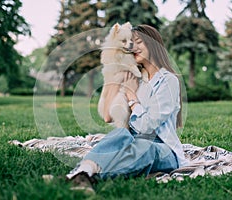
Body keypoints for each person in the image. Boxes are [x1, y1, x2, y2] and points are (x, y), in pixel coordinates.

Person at [66, 24, 188, 193]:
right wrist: (115, 79)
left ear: (153, 44)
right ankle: (81, 174)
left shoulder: (168, 81)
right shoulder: (135, 77)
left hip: (163, 147)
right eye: (131, 41)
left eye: (138, 42)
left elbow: (147, 126)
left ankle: (86, 176)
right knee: (120, 134)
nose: (132, 46)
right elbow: (108, 117)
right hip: (134, 140)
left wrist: (132, 98)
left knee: (145, 148)